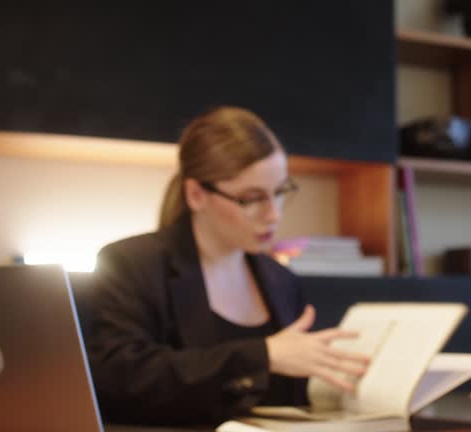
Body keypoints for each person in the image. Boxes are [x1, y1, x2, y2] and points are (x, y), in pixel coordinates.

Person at [86, 106, 369, 426]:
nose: (273, 214)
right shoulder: (131, 264)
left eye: (279, 193)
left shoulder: (281, 279)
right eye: (251, 199)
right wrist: (263, 356)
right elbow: (123, 380)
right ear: (196, 195)